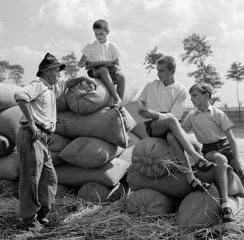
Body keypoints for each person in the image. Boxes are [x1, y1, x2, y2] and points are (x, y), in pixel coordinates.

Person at [14, 53, 96, 232]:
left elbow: (66, 85)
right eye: (56, 70)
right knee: (31, 179)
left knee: (50, 178)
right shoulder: (38, 86)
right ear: (46, 72)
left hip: (44, 139)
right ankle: (29, 220)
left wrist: (81, 77)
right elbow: (20, 95)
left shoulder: (52, 89)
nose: (59, 73)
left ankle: (42, 215)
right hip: (31, 134)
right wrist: (30, 122)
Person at [135, 55, 216, 191]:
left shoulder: (181, 90)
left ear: (171, 72)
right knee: (172, 122)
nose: (157, 73)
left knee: (173, 136)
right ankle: (196, 157)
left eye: (161, 70)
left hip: (171, 126)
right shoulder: (151, 85)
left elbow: (175, 115)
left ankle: (191, 178)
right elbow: (140, 100)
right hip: (153, 125)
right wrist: (142, 108)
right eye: (157, 70)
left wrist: (155, 113)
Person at [181, 82, 244, 222]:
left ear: (206, 96)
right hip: (210, 150)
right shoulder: (191, 116)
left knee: (241, 172)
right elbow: (181, 133)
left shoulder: (218, 113)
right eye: (191, 96)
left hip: (226, 146)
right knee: (221, 161)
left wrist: (238, 160)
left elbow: (231, 138)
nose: (191, 99)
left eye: (194, 95)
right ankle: (225, 206)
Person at [78, 19, 125, 107]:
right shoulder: (90, 46)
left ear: (107, 32)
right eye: (96, 34)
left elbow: (119, 66)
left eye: (101, 34)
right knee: (103, 69)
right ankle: (116, 98)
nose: (98, 36)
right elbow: (79, 64)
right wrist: (86, 62)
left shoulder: (113, 46)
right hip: (95, 72)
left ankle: (120, 104)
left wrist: (115, 67)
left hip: (110, 73)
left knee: (121, 76)